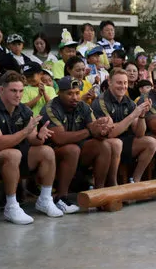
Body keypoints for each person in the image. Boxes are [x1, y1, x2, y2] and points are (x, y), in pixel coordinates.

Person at [0, 71, 63, 224]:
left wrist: (39, 137)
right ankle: (11, 206)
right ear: (1, 90)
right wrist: (26, 131)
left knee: (47, 151)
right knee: (12, 154)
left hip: (19, 156)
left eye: (21, 91)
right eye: (13, 91)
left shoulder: (24, 110)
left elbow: (32, 138)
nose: (18, 95)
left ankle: (45, 199)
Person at [40, 76, 121, 212]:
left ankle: (98, 192)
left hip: (78, 149)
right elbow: (59, 139)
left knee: (105, 145)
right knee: (72, 149)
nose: (75, 97)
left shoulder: (83, 106)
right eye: (70, 93)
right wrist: (90, 130)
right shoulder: (51, 108)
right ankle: (61, 197)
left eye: (77, 93)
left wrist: (103, 130)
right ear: (60, 93)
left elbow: (94, 129)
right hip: (51, 154)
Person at [91, 69, 156, 183]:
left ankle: (135, 180)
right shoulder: (100, 102)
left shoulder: (129, 102)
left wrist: (141, 116)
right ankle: (113, 183)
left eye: (125, 83)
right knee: (116, 143)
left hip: (125, 140)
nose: (123, 86)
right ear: (109, 82)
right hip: (105, 144)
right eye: (119, 83)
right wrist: (132, 116)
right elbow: (110, 133)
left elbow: (140, 133)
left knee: (151, 142)